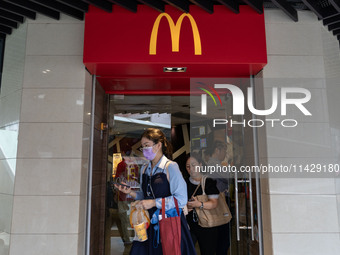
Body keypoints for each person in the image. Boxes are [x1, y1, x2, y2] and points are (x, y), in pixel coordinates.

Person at [115, 128, 196, 255]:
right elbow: (144, 196)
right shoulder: (145, 169)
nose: (144, 150)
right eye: (142, 147)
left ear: (158, 145)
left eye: (146, 145)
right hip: (148, 222)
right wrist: (130, 192)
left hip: (169, 223)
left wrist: (154, 203)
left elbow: (181, 199)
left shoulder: (170, 167)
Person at [185, 152, 220, 255]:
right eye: (188, 166)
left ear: (200, 165)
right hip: (190, 226)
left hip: (207, 226)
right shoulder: (184, 182)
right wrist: (186, 207)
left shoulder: (208, 181)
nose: (191, 168)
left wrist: (199, 204)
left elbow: (214, 203)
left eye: (194, 165)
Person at [205, 140, 231, 255]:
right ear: (217, 150)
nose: (225, 154)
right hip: (220, 202)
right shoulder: (214, 164)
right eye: (224, 151)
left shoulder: (213, 164)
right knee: (223, 239)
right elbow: (228, 177)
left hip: (218, 201)